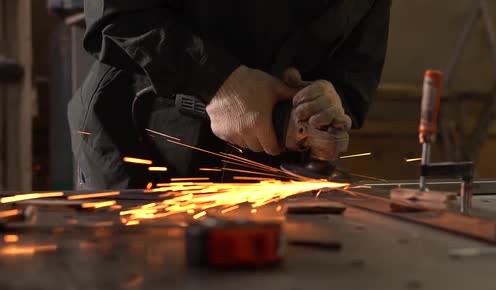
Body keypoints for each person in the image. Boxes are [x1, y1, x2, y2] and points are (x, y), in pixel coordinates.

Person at [68, 0, 391, 189]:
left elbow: (353, 73)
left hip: (270, 173)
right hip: (140, 142)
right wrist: (220, 82)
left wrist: (327, 103)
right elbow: (114, 9)